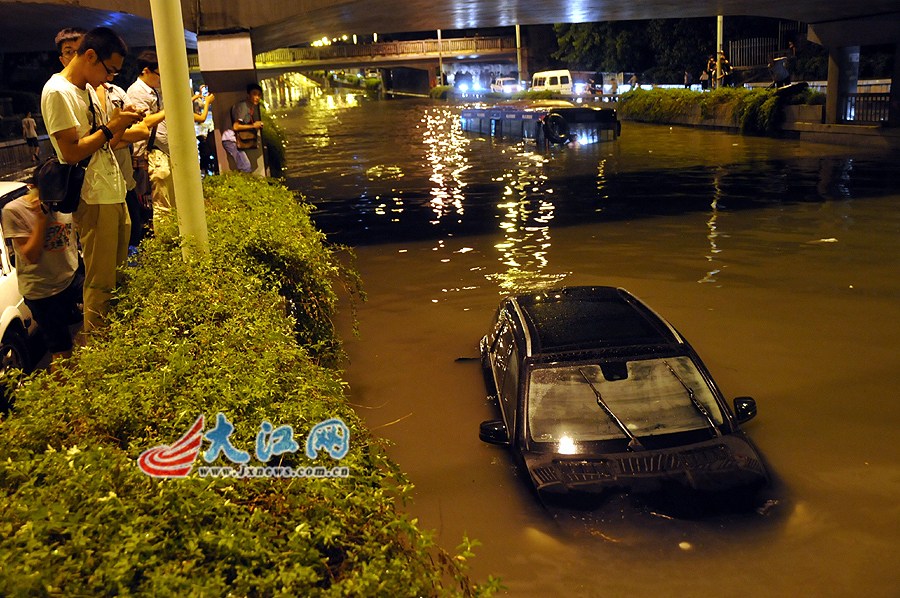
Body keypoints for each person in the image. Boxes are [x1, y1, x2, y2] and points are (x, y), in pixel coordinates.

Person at [40, 26, 143, 334]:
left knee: (118, 275)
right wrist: (113, 127)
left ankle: (116, 338)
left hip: (112, 189)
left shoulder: (85, 89)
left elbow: (102, 141)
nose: (110, 78)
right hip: (93, 196)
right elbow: (70, 153)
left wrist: (122, 124)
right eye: (109, 70)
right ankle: (100, 353)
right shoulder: (58, 92)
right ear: (90, 56)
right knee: (100, 283)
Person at [2, 169, 81, 370]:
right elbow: (31, 255)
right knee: (62, 352)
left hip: (70, 279)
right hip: (44, 292)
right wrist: (40, 218)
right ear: (31, 187)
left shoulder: (64, 201)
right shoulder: (14, 211)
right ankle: (67, 394)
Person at [126, 51, 173, 222]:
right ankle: (163, 244)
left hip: (159, 153)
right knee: (160, 207)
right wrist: (168, 110)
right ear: (146, 71)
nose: (161, 79)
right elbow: (143, 123)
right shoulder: (137, 92)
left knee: (166, 203)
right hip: (149, 155)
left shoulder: (153, 90)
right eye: (159, 74)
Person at [221, 83, 264, 174]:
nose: (257, 97)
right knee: (246, 166)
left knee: (245, 165)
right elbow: (236, 126)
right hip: (230, 139)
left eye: (259, 95)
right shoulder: (243, 106)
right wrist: (253, 126)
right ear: (248, 95)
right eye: (254, 94)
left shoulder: (249, 107)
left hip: (233, 139)